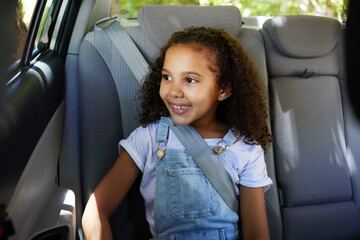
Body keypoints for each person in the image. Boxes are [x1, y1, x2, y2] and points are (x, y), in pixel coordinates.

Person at [82, 26, 273, 240]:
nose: (173, 91)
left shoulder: (246, 148)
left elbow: (256, 234)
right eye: (167, 77)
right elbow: (95, 211)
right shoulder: (149, 138)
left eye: (190, 80)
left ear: (224, 90)